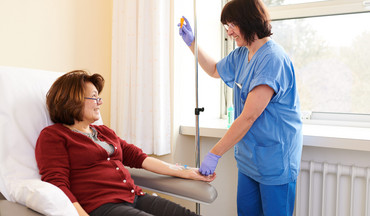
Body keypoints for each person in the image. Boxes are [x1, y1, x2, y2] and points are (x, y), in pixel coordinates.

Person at [178, 0, 302, 215]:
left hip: (275, 160)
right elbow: (215, 70)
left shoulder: (272, 59)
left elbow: (248, 117)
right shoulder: (241, 54)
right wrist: (192, 43)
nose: (229, 32)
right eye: (226, 26)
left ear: (248, 20)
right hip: (249, 159)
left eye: (232, 24)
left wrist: (215, 153)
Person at [35, 70, 215, 216]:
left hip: (135, 197)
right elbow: (57, 184)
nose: (100, 102)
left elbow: (139, 158)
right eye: (94, 97)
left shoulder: (104, 132)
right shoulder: (54, 136)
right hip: (102, 207)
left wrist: (188, 172)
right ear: (73, 100)